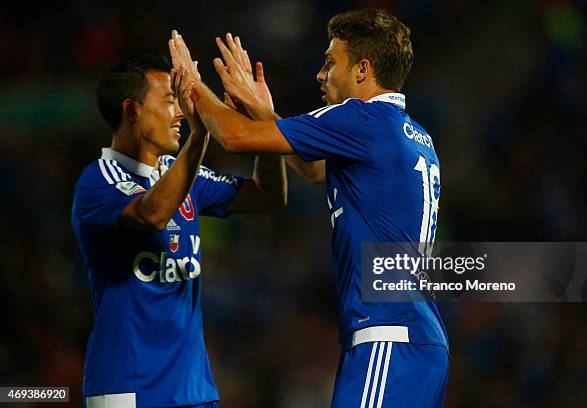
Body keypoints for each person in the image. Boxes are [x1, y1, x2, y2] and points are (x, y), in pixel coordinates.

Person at [170, 7, 448, 407]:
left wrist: (194, 86)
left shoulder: (360, 118)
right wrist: (264, 111)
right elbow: (317, 171)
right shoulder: (415, 134)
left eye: (330, 62)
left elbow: (233, 137)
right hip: (420, 339)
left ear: (362, 70)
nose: (320, 74)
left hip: (388, 334)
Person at [71, 54, 286, 408]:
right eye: (171, 101)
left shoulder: (182, 174)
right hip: (128, 388)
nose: (183, 113)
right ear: (132, 109)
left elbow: (266, 197)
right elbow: (152, 213)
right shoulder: (99, 180)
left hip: (194, 390)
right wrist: (201, 136)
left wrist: (260, 120)